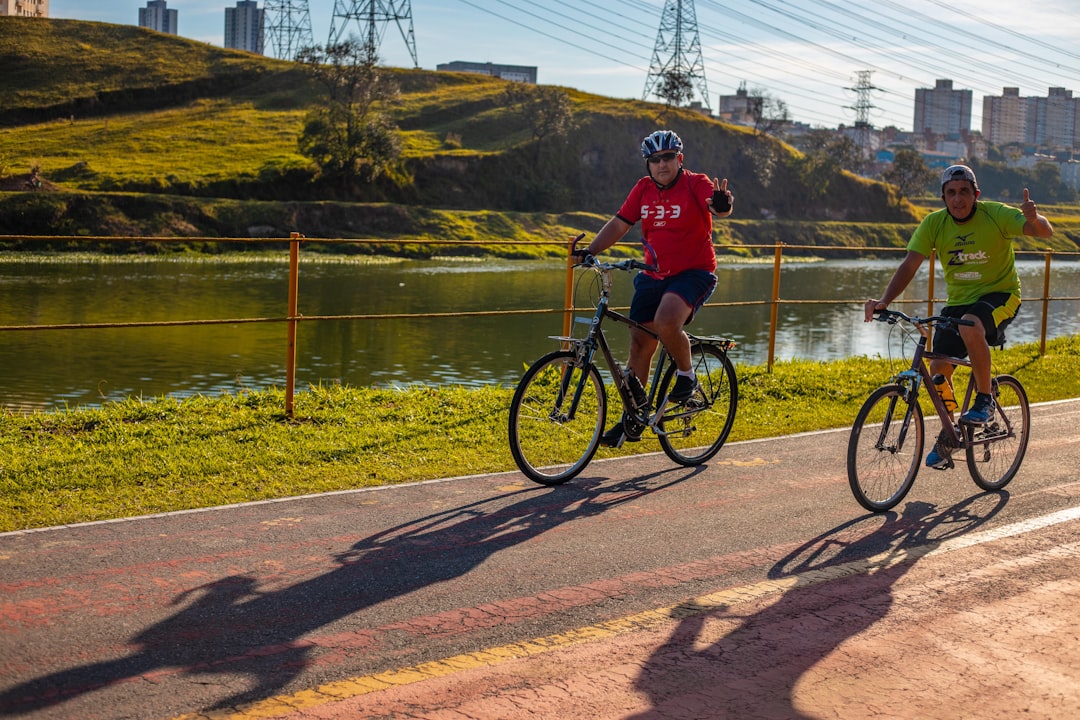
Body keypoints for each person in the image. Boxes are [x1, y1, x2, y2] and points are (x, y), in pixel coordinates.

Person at [864, 164, 1054, 469]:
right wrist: (885, 301)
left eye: (964, 191)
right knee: (938, 367)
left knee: (971, 325)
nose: (958, 199)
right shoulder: (934, 224)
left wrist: (1035, 218)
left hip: (1001, 295)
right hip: (959, 301)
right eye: (951, 193)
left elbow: (1043, 231)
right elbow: (910, 264)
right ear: (943, 197)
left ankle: (985, 401)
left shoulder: (996, 214)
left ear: (975, 194)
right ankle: (949, 434)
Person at [573, 129, 734, 448]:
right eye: (655, 159)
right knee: (638, 342)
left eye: (668, 158)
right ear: (648, 164)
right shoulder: (643, 189)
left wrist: (721, 203)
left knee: (665, 322)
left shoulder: (695, 182)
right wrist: (591, 251)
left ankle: (687, 375)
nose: (662, 164)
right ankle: (633, 418)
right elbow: (620, 222)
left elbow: (718, 207)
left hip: (694, 272)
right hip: (653, 274)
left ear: (679, 159)